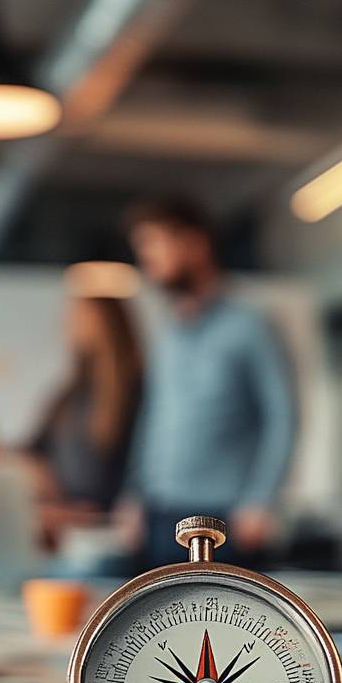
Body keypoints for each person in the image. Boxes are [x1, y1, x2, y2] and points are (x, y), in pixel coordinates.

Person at [125, 195, 297, 569]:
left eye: (154, 244)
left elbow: (282, 415)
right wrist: (134, 495)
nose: (146, 260)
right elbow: (153, 417)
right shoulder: (168, 334)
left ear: (195, 244)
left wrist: (261, 499)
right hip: (160, 514)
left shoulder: (250, 326)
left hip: (227, 518)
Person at [27, 295, 143, 544]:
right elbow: (32, 449)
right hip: (60, 522)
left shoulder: (134, 393)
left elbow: (137, 470)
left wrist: (88, 515)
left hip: (104, 530)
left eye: (80, 315)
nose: (69, 323)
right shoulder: (68, 394)